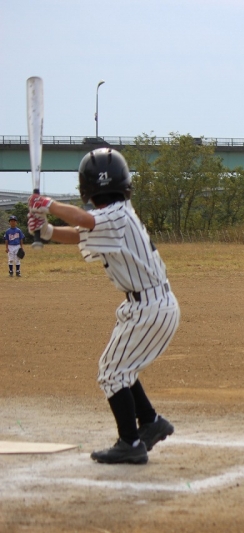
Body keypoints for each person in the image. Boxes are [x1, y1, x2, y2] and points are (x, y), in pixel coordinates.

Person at [27, 148, 179, 465]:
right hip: (149, 305)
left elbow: (83, 220)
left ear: (87, 189)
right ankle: (150, 422)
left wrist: (48, 205)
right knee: (122, 369)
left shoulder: (116, 215)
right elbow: (83, 231)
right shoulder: (117, 215)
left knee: (111, 372)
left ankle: (130, 442)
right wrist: (48, 230)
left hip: (150, 307)